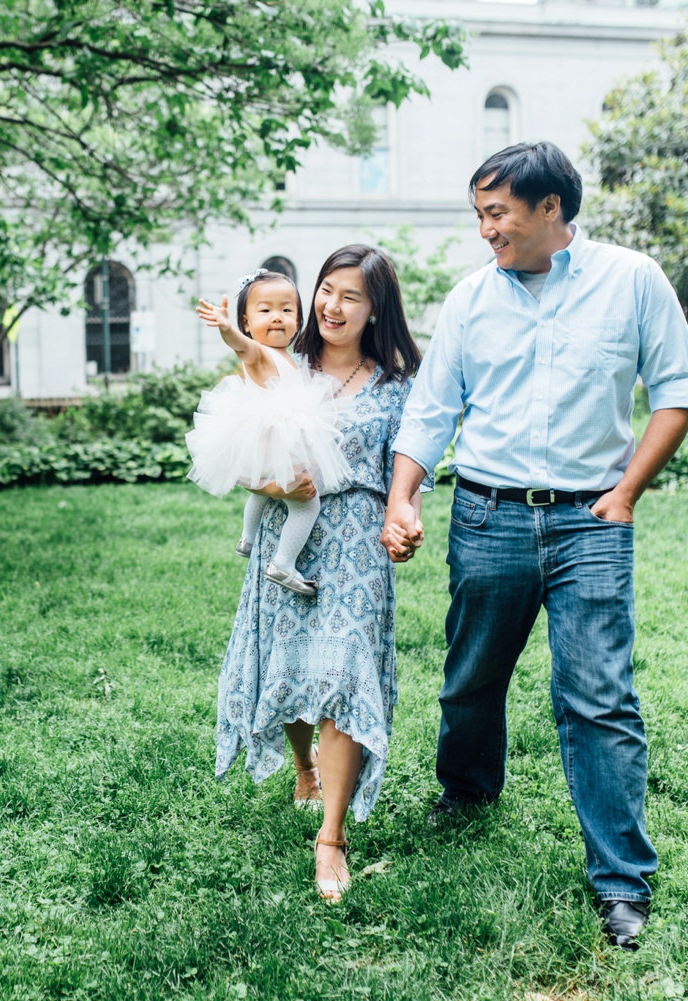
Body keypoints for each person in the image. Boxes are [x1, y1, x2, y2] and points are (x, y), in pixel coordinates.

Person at [380, 142, 688, 950]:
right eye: (480, 214)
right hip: (488, 515)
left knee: (599, 697)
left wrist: (625, 492)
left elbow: (678, 391)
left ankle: (622, 883)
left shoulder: (632, 281)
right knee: (470, 678)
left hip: (589, 521)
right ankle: (466, 793)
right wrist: (402, 495)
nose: (486, 230)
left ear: (551, 210)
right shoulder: (469, 299)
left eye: (498, 213)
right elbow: (430, 409)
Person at [214, 245, 427, 902]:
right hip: (291, 531)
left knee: (341, 674)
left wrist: (407, 518)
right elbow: (235, 444)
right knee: (292, 665)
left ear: (376, 309)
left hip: (359, 548)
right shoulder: (283, 365)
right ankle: (303, 765)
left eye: (351, 297)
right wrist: (272, 480)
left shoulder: (399, 387)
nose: (332, 306)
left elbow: (409, 474)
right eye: (327, 290)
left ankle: (331, 836)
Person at [188, 269, 353, 596]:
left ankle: (247, 538)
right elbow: (242, 348)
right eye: (265, 311)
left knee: (261, 491)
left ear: (298, 320)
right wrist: (227, 329)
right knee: (307, 503)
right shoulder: (259, 352)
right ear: (247, 323)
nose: (277, 318)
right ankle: (283, 563)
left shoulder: (288, 357)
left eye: (286, 310)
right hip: (276, 438)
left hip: (272, 441)